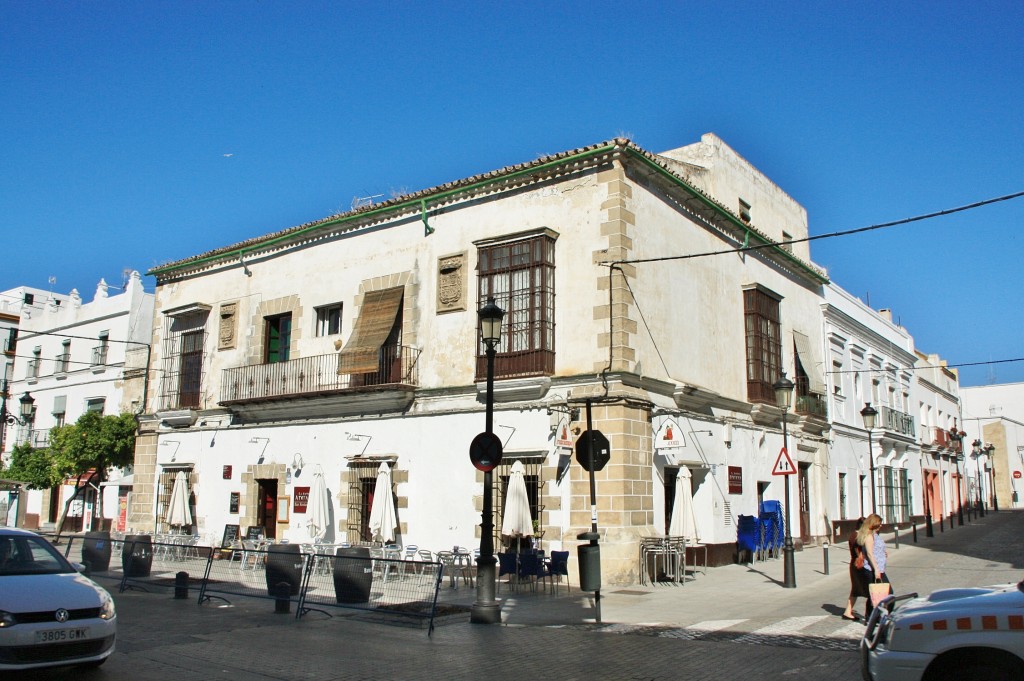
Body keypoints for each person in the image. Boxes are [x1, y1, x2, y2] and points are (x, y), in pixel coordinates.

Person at [857, 513, 891, 619]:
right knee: (887, 594)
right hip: (872, 569)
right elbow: (870, 554)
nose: (881, 526)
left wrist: (883, 552)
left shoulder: (875, 534)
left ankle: (870, 616)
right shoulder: (869, 536)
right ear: (874, 524)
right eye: (879, 524)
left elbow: (876, 549)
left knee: (875, 595)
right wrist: (876, 569)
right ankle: (878, 616)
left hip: (879, 568)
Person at [841, 517, 868, 621]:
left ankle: (848, 611)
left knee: (856, 589)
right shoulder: (858, 536)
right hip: (859, 564)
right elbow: (860, 550)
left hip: (855, 564)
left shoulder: (854, 535)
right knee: (868, 589)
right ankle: (870, 614)